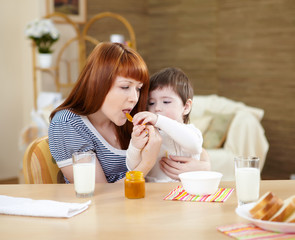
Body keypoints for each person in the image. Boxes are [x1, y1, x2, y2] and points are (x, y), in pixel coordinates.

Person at [49, 42, 162, 183]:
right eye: (125, 86)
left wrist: (198, 164)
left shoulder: (131, 120)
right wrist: (146, 163)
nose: (134, 98)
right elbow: (99, 194)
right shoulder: (67, 124)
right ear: (98, 84)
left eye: (138, 89)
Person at [126, 67, 203, 182]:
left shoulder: (192, 132)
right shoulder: (149, 135)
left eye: (166, 102)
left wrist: (158, 120)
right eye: (151, 103)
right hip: (155, 194)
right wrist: (135, 146)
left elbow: (194, 146)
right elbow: (132, 167)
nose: (156, 108)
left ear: (186, 107)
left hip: (187, 192)